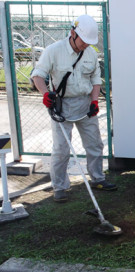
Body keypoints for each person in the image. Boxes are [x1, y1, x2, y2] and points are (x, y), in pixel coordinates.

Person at [31, 14, 116, 203]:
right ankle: (59, 187)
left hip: (85, 103)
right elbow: (38, 75)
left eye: (89, 42)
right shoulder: (53, 51)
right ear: (73, 33)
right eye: (83, 41)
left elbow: (95, 80)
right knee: (61, 149)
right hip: (61, 105)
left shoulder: (91, 53)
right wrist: (46, 94)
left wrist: (94, 102)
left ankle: (97, 178)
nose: (85, 45)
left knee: (94, 145)